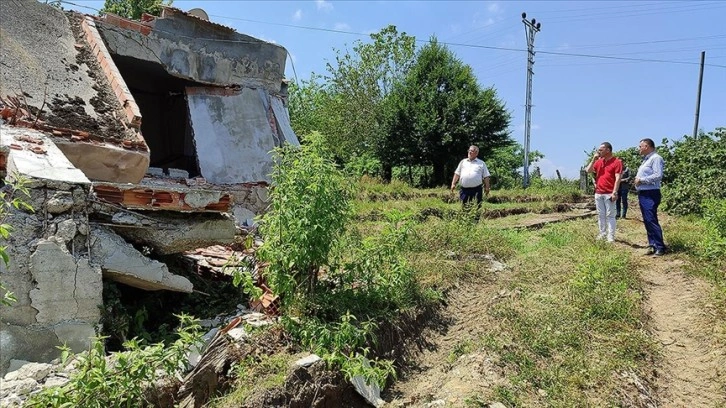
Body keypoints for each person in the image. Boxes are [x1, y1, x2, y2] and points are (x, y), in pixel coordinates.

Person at [585, 142, 623, 242]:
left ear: (608, 150)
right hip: (598, 192)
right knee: (600, 214)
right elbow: (588, 171)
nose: (599, 151)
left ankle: (611, 236)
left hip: (609, 192)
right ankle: (602, 233)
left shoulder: (616, 162)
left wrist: (615, 192)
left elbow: (618, 177)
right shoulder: (599, 162)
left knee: (610, 215)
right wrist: (593, 159)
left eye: (601, 150)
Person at [635, 138, 666, 256]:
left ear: (647, 146)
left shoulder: (656, 158)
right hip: (644, 193)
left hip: (650, 193)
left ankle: (660, 246)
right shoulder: (646, 160)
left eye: (640, 146)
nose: (639, 148)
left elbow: (658, 175)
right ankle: (652, 244)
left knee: (651, 219)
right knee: (647, 219)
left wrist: (641, 180)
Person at [451, 145, 491, 212]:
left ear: (476, 153)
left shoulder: (481, 163)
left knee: (477, 207)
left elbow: (486, 176)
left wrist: (487, 187)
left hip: (477, 190)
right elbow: (457, 173)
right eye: (469, 150)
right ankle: (465, 221)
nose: (469, 152)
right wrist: (453, 183)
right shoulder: (463, 162)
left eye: (472, 151)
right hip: (464, 190)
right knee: (464, 207)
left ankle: (476, 221)